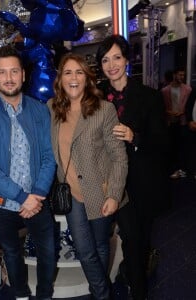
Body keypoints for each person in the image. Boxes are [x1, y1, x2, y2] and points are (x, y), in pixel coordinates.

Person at [0, 45, 57, 300]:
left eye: (14, 71)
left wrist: (38, 194)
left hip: (37, 200)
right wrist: (23, 198)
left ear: (23, 75)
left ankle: (45, 294)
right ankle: (20, 294)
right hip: (2, 203)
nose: (9, 78)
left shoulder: (39, 110)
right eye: (3, 72)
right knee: (10, 253)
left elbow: (48, 156)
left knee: (48, 251)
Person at [48, 52, 128, 300]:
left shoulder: (104, 109)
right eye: (68, 72)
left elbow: (119, 156)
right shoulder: (51, 108)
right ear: (61, 79)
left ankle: (98, 293)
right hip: (71, 195)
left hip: (100, 191)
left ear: (87, 78)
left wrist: (114, 194)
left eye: (79, 72)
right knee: (85, 251)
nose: (73, 78)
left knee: (101, 246)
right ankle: (103, 294)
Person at [96, 34, 169, 300]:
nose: (111, 64)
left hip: (141, 181)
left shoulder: (149, 96)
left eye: (117, 57)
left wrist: (134, 137)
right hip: (110, 181)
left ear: (126, 59)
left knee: (138, 240)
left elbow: (162, 142)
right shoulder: (96, 96)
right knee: (129, 238)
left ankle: (138, 289)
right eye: (105, 59)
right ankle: (133, 277)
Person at [161, 67, 192, 179]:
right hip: (170, 122)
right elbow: (162, 107)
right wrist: (170, 112)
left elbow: (189, 105)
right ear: (174, 75)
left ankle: (181, 169)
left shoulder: (188, 89)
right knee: (171, 146)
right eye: (180, 75)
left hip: (183, 121)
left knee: (182, 147)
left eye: (183, 75)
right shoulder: (165, 91)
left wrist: (183, 112)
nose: (181, 77)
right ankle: (172, 169)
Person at [185, 87, 196, 179]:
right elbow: (188, 106)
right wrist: (190, 121)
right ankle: (191, 172)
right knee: (191, 150)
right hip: (193, 126)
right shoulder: (195, 90)